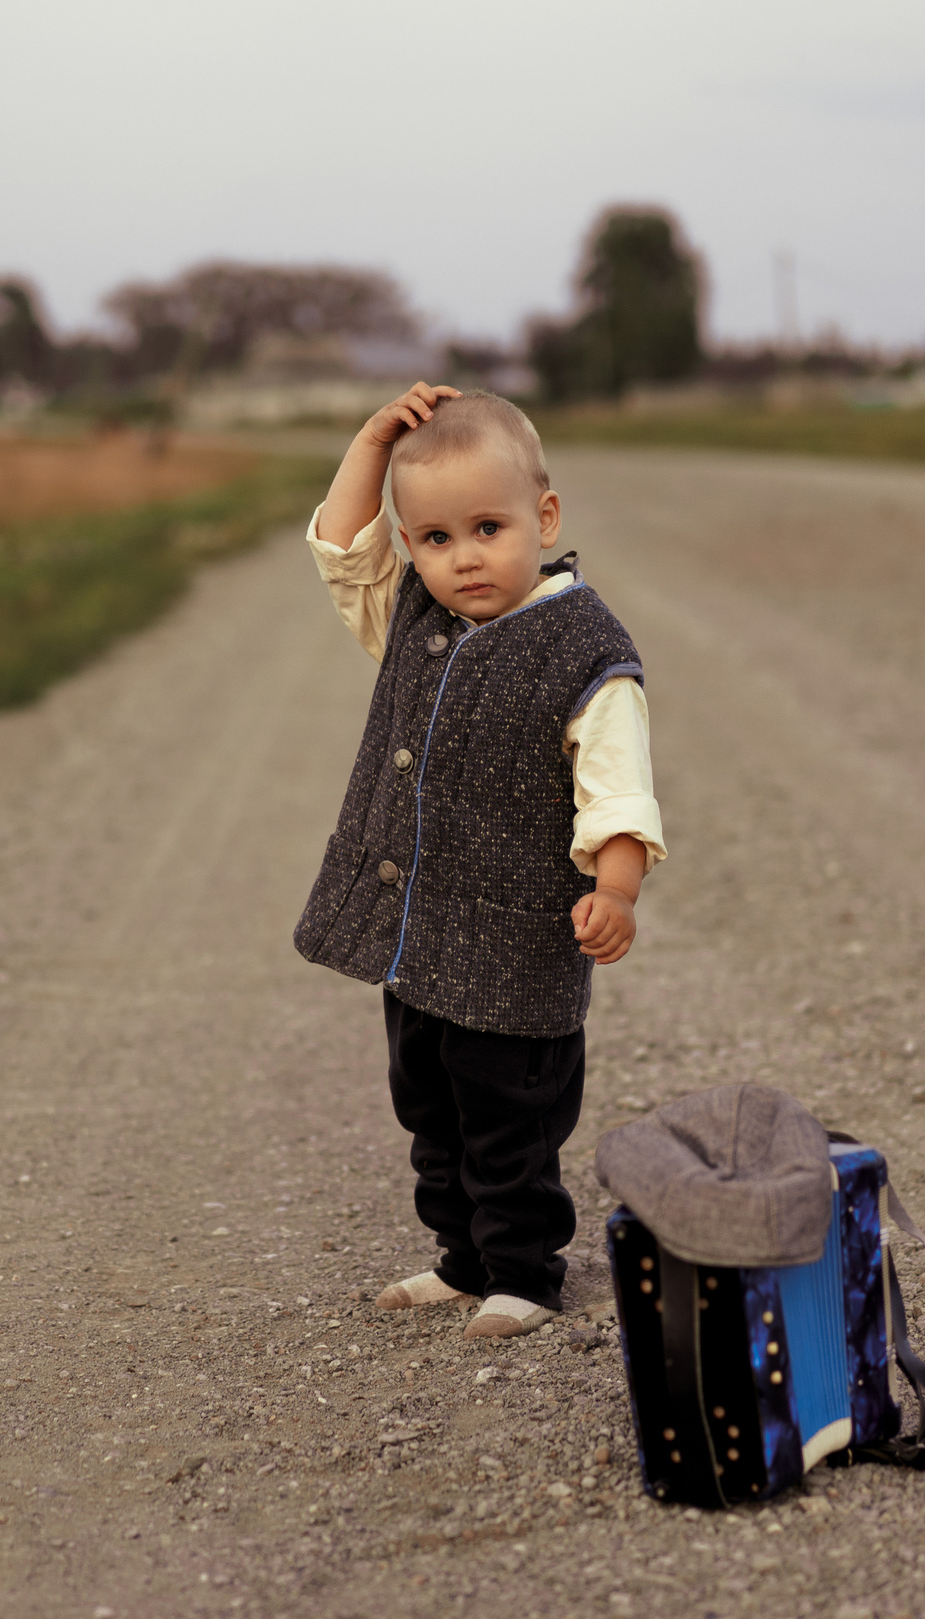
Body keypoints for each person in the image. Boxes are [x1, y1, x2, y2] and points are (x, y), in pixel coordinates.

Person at [294, 385, 666, 1340]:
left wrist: (615, 887)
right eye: (434, 539)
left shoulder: (584, 650)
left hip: (514, 946)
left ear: (544, 518)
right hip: (420, 937)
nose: (462, 558)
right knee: (431, 1108)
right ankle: (461, 1260)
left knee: (509, 1117)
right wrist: (375, 440)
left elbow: (617, 791)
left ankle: (524, 1272)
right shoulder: (418, 620)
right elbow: (342, 547)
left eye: (488, 528)